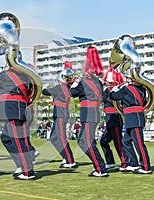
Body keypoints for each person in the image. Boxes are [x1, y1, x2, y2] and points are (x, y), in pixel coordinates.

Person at [0, 66, 35, 180]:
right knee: (6, 139)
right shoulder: (26, 77)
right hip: (17, 109)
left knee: (18, 141)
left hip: (12, 110)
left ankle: (28, 171)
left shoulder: (6, 75)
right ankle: (21, 164)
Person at [70, 46, 108, 177]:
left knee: (84, 142)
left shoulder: (84, 82)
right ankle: (100, 167)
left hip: (88, 114)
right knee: (84, 141)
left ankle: (100, 168)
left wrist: (75, 82)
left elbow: (72, 93)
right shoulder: (98, 82)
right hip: (95, 113)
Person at [109, 69, 152, 174]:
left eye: (127, 78)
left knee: (139, 143)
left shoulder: (127, 89)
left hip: (134, 119)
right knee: (126, 141)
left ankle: (146, 167)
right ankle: (133, 164)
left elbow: (114, 96)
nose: (126, 80)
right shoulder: (141, 89)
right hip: (132, 118)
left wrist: (113, 90)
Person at [42, 64, 77, 169]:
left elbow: (45, 92)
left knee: (61, 138)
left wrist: (45, 86)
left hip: (61, 114)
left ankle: (70, 160)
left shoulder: (61, 87)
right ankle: (66, 157)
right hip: (60, 113)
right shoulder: (65, 87)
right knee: (53, 138)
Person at [100, 69, 127, 170]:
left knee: (118, 142)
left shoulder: (111, 90)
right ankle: (110, 161)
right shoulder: (108, 90)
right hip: (109, 119)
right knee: (103, 141)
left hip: (114, 118)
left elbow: (102, 98)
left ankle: (125, 162)